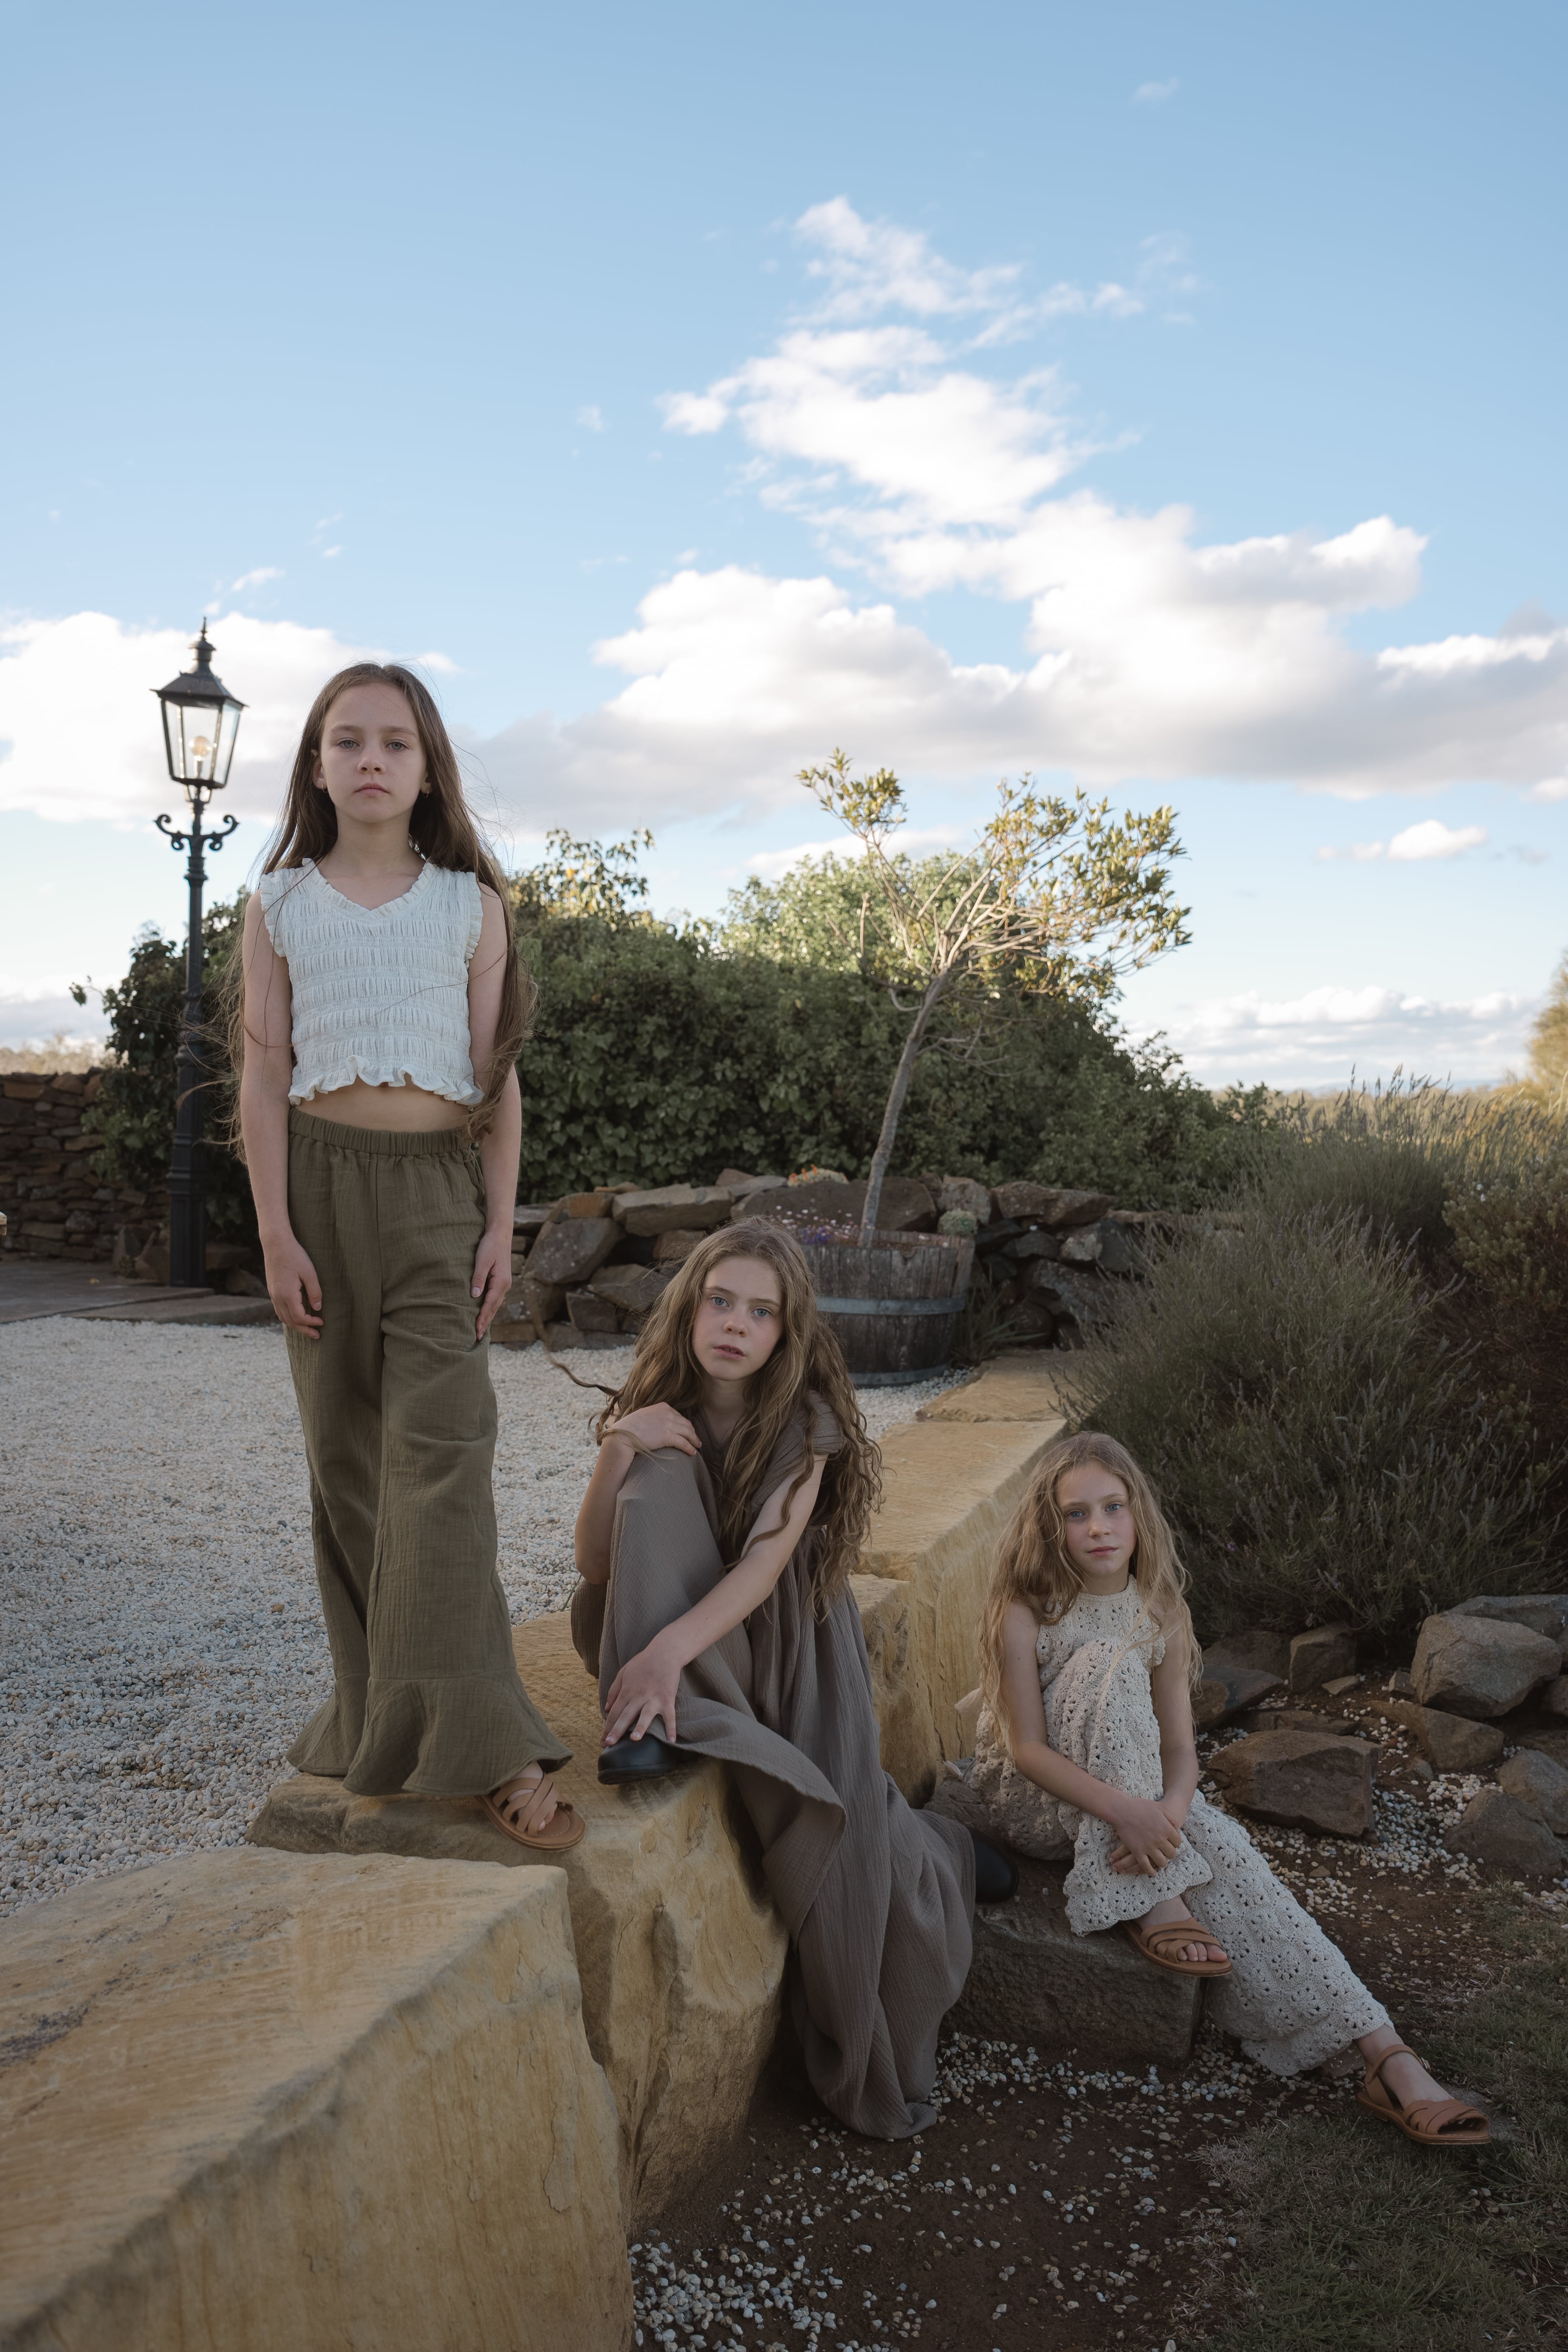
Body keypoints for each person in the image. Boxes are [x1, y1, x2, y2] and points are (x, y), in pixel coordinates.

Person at [236, 661, 582, 1852]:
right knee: (347, 1469)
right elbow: (262, 1076)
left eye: (395, 742)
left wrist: (499, 1227)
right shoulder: (278, 902)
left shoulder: (471, 907)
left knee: (443, 1464)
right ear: (316, 765)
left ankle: (491, 1746)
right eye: (348, 741)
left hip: (439, 1199)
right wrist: (275, 1233)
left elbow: (497, 1082)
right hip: (319, 1193)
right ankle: (380, 1718)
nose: (371, 759)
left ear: (429, 769)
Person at [569, 1218, 1011, 2138]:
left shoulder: (806, 1425)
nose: (736, 1324)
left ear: (786, 1331)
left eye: (760, 1312)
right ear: (691, 1309)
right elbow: (599, 1567)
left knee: (844, 1833)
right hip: (680, 1621)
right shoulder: (662, 1407)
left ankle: (942, 1856)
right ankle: (653, 1725)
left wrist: (663, 1652)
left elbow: (764, 1570)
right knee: (653, 1474)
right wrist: (618, 1445)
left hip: (785, 1640)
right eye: (720, 1301)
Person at [966, 1429, 1489, 2147]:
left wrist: (1170, 1814)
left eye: (1113, 1507)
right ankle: (1154, 1898)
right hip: (1041, 1803)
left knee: (1233, 1855)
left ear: (1138, 1513)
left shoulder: (1161, 1609)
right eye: (1075, 1514)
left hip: (1139, 1792)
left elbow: (1180, 1750)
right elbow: (1026, 1750)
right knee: (1107, 1663)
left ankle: (1387, 2056)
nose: (1098, 1528)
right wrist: (1128, 1813)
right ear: (1049, 1526)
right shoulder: (1030, 1608)